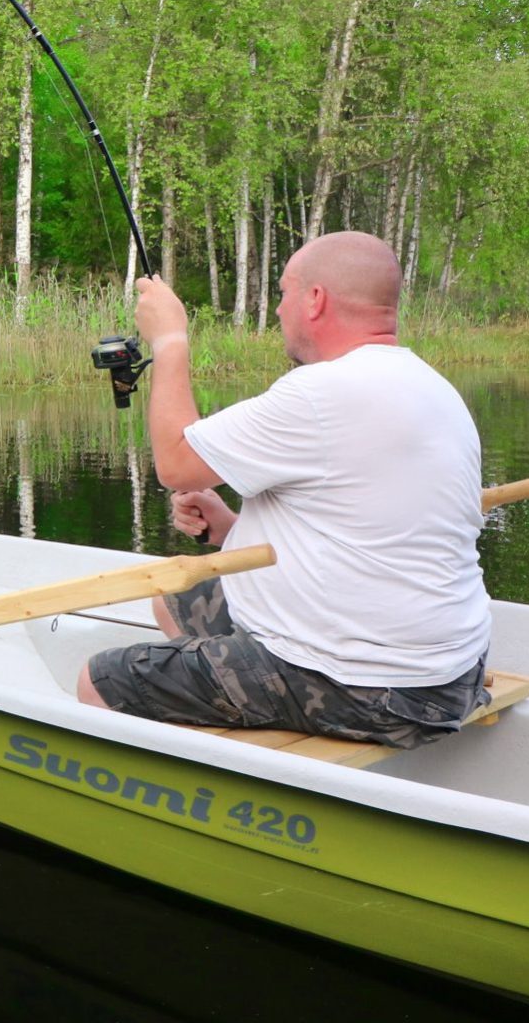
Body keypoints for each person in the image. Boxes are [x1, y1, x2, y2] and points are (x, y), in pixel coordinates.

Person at [75, 230, 492, 748]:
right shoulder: (433, 387)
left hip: (372, 687)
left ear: (315, 300)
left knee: (100, 681)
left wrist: (170, 340)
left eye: (283, 292)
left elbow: (177, 465)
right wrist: (233, 528)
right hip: (453, 672)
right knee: (176, 604)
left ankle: (225, 769)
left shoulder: (321, 392)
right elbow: (361, 520)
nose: (277, 309)